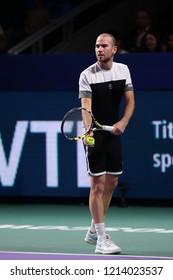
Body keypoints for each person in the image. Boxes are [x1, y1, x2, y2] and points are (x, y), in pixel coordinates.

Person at [78, 33, 135, 254]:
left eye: (104, 46)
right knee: (97, 186)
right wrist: (89, 129)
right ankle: (101, 239)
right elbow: (86, 108)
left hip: (115, 132)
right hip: (96, 134)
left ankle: (94, 227)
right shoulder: (86, 75)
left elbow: (130, 101)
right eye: (96, 46)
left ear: (114, 49)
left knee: (111, 183)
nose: (99, 49)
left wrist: (123, 121)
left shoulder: (123, 70)